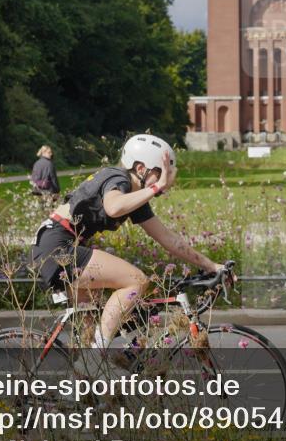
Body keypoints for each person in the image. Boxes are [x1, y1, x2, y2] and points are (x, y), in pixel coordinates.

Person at [29, 134, 230, 349]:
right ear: (141, 169)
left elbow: (168, 239)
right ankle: (98, 356)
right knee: (136, 280)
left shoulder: (135, 196)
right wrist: (156, 187)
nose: (166, 180)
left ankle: (91, 369)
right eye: (160, 173)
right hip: (57, 245)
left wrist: (211, 265)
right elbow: (113, 207)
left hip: (60, 246)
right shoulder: (118, 178)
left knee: (90, 335)